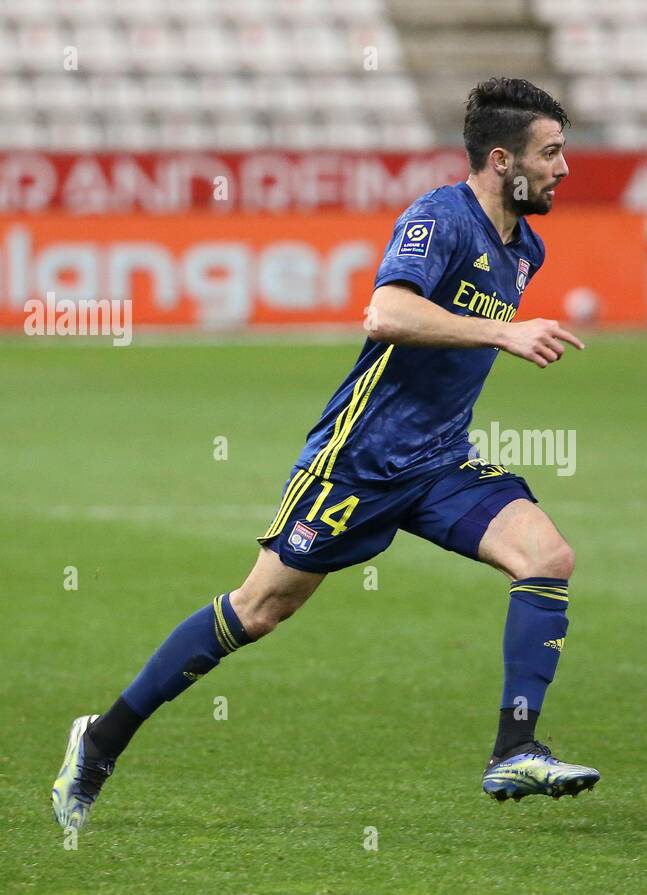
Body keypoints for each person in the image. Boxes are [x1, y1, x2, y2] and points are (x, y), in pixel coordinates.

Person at [52, 78, 599, 830]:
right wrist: (502, 331)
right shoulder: (439, 218)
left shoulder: (524, 247)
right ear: (502, 160)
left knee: (547, 557)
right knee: (259, 609)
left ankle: (514, 748)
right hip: (359, 461)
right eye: (550, 152)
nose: (563, 168)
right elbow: (386, 312)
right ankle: (100, 741)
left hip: (439, 463)